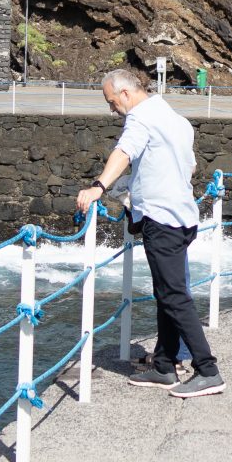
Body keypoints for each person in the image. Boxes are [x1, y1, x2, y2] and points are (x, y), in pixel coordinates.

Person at [77, 66, 224, 398]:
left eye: (111, 101)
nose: (111, 109)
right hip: (183, 216)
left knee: (174, 295)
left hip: (162, 220)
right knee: (166, 293)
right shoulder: (174, 118)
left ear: (125, 93)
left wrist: (99, 186)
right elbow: (190, 166)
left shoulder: (140, 118)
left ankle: (208, 370)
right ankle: (164, 366)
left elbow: (124, 152)